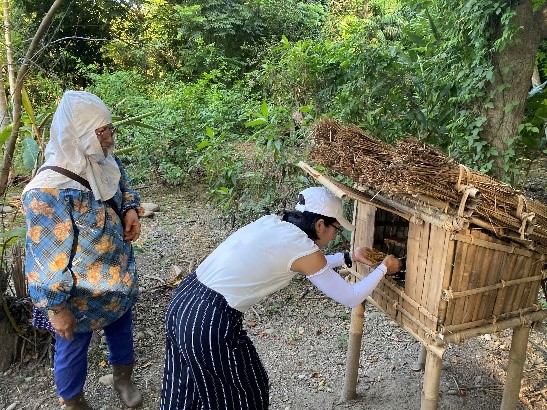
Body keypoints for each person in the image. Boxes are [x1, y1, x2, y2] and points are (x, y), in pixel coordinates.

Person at [161, 186, 401, 409]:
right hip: (208, 320)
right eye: (335, 229)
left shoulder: (273, 225)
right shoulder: (302, 248)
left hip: (185, 300)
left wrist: (349, 257)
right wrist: (384, 268)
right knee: (244, 392)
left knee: (185, 386)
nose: (334, 236)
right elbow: (350, 297)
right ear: (319, 225)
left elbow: (309, 266)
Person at [22, 90, 144, 409]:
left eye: (109, 128)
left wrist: (129, 208)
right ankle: (73, 400)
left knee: (121, 327)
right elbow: (45, 259)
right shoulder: (48, 192)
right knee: (72, 346)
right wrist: (56, 308)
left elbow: (122, 184)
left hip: (115, 275)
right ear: (80, 134)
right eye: (102, 131)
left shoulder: (102, 159)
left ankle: (122, 378)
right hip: (77, 293)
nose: (109, 137)